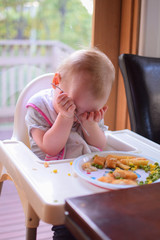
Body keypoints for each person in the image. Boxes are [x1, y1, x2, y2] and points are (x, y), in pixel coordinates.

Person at [25, 48, 115, 240]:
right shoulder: (39, 107)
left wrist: (90, 123)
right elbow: (49, 147)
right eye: (72, 106)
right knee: (68, 227)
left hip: (87, 174)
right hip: (54, 179)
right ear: (57, 82)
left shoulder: (88, 112)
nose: (77, 114)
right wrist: (64, 117)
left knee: (107, 219)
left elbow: (100, 145)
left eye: (86, 112)